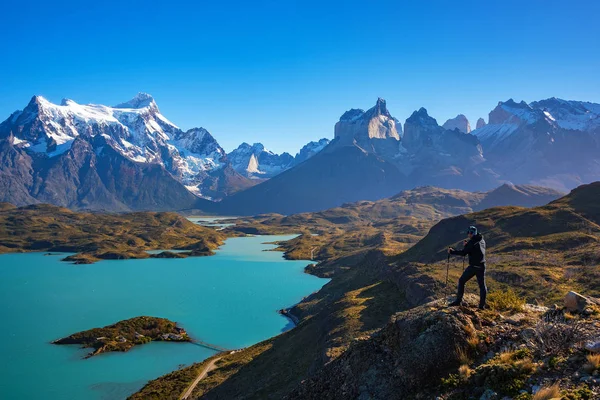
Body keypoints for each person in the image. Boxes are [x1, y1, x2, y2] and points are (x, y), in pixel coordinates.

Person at [447, 225, 487, 309]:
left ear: (474, 233)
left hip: (473, 267)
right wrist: (467, 245)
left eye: (471, 233)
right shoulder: (481, 240)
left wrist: (452, 252)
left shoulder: (472, 242)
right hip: (482, 266)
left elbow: (463, 253)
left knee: (461, 281)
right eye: (468, 232)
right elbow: (474, 250)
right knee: (482, 286)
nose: (469, 234)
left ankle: (458, 301)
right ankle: (482, 306)